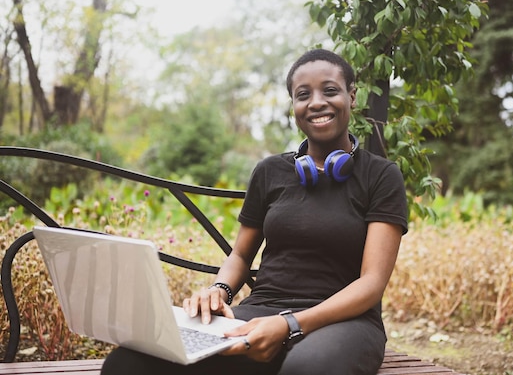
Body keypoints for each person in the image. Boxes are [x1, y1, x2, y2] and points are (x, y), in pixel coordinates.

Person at [100, 49, 408, 375]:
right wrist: (219, 291)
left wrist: (287, 324)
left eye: (330, 90)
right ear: (294, 106)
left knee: (307, 369)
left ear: (352, 96)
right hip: (261, 313)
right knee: (128, 362)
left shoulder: (381, 175)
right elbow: (240, 256)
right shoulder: (270, 171)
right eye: (303, 95)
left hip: (345, 321)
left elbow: (372, 282)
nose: (316, 102)